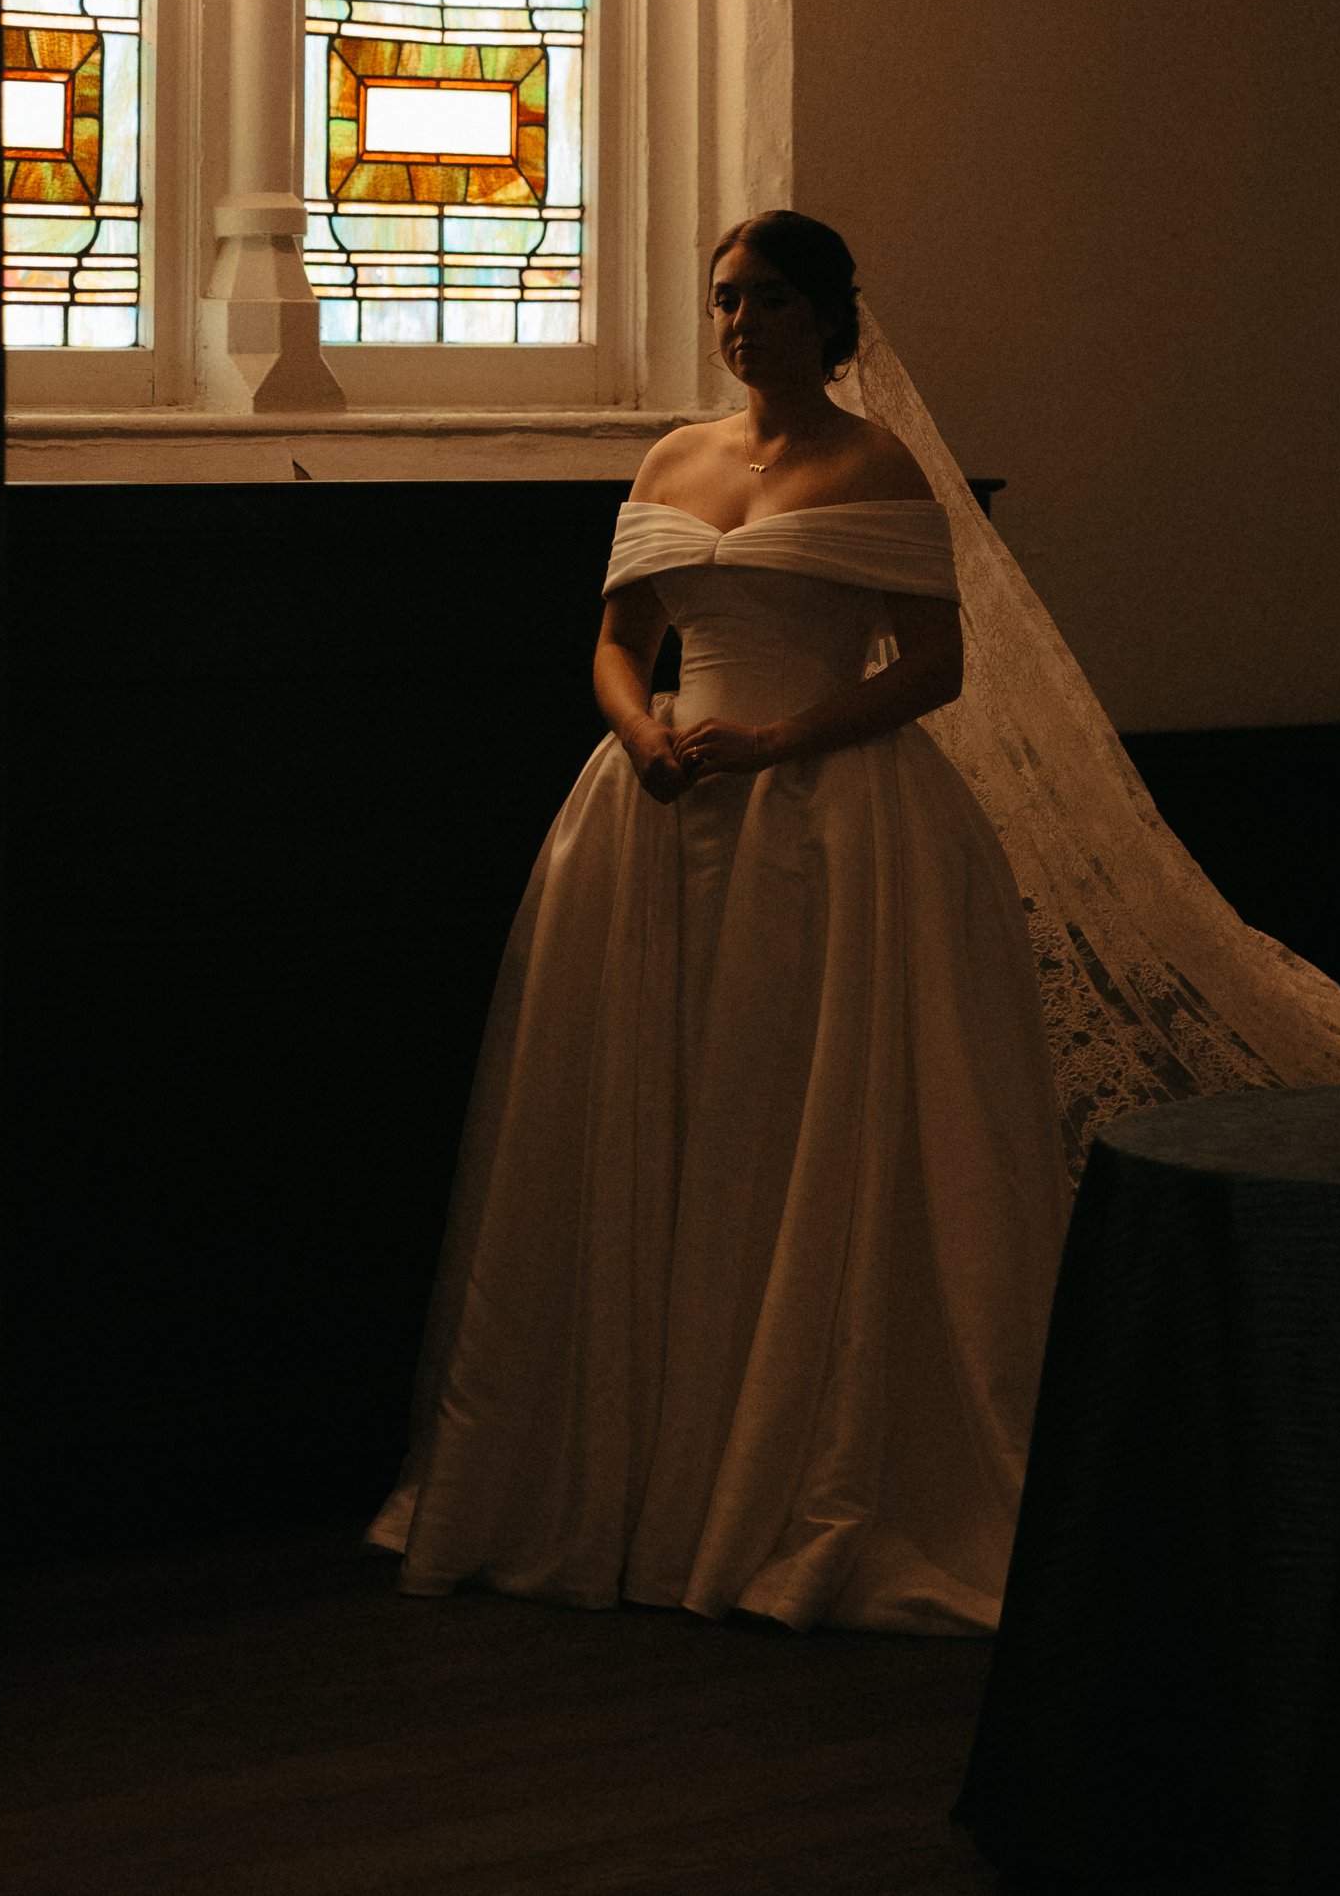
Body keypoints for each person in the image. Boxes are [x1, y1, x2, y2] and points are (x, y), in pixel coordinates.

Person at [370, 210, 1070, 1635]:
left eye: (763, 300)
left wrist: (785, 737)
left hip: (835, 819)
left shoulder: (876, 466)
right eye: (723, 301)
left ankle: (788, 1462)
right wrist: (643, 733)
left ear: (828, 316)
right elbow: (620, 641)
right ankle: (636, 1469)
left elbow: (934, 665)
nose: (739, 324)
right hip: (663, 805)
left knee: (795, 1112)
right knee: (652, 1103)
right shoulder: (673, 460)